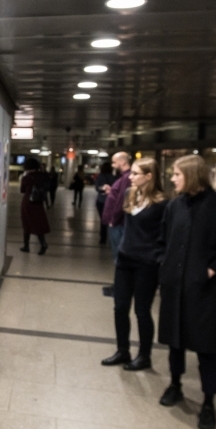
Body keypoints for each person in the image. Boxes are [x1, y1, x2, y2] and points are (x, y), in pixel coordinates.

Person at [157, 155, 216, 429]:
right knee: (175, 340)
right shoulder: (174, 206)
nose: (172, 179)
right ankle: (175, 384)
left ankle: (208, 401)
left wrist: (209, 271)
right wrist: (165, 264)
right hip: (174, 285)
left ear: (192, 175)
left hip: (204, 289)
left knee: (207, 346)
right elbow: (163, 240)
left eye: (177, 174)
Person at [101, 158, 167, 371]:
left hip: (147, 263)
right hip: (125, 259)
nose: (131, 176)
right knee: (120, 307)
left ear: (149, 176)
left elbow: (166, 236)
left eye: (136, 173)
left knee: (142, 310)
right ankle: (122, 350)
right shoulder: (131, 194)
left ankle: (144, 355)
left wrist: (159, 258)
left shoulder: (162, 204)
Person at [100, 152, 133, 295]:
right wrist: (111, 191)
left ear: (122, 161)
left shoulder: (126, 178)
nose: (113, 165)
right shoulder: (123, 178)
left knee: (119, 256)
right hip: (118, 222)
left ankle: (121, 287)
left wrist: (114, 219)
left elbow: (121, 201)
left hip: (118, 224)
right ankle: (120, 285)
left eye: (114, 162)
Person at [19, 158, 50, 255]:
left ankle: (26, 246)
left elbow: (22, 190)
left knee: (26, 222)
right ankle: (43, 243)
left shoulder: (26, 177)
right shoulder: (42, 176)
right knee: (39, 223)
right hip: (38, 202)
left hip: (28, 202)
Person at [94, 161, 116, 245]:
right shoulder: (113, 178)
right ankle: (110, 237)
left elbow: (97, 188)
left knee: (103, 220)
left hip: (101, 201)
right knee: (110, 220)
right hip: (110, 201)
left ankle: (103, 238)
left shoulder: (100, 177)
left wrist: (102, 189)